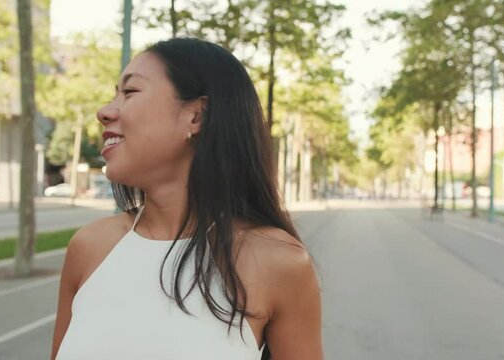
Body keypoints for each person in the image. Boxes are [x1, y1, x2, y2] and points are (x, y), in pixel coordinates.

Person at [51, 37, 322, 360]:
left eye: (130, 92)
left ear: (196, 116)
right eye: (114, 94)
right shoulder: (89, 247)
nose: (105, 111)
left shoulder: (278, 261)